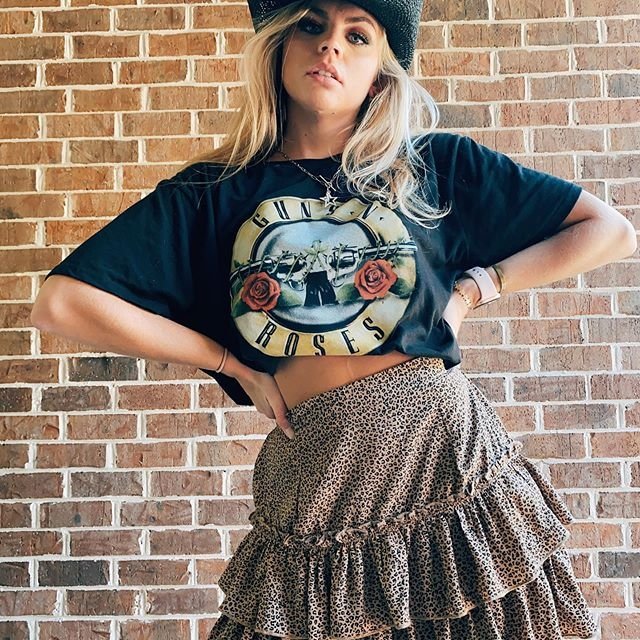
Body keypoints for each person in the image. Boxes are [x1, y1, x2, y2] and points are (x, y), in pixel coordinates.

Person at [31, 0, 636, 638]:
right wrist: (231, 364)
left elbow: (609, 230)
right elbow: (63, 304)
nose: (330, 47)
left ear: (379, 75)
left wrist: (473, 290)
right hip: (314, 475)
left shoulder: (434, 166)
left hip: (441, 461)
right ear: (279, 49)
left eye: (358, 35)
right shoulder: (213, 191)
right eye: (312, 26)